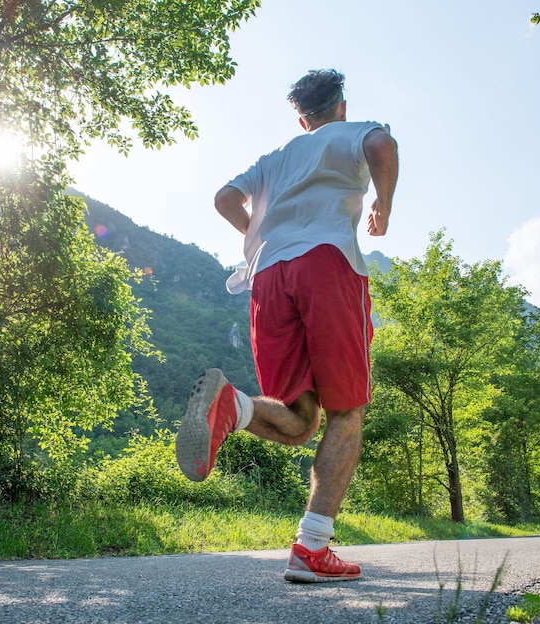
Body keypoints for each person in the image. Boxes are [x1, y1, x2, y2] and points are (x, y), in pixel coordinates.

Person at [175, 69, 398, 583]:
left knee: (300, 419)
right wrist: (383, 203)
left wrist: (260, 232)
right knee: (346, 412)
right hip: (326, 262)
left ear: (302, 118)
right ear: (340, 108)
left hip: (269, 277)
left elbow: (224, 199)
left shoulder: (274, 160)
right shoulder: (350, 132)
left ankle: (233, 404)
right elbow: (382, 144)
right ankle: (313, 548)